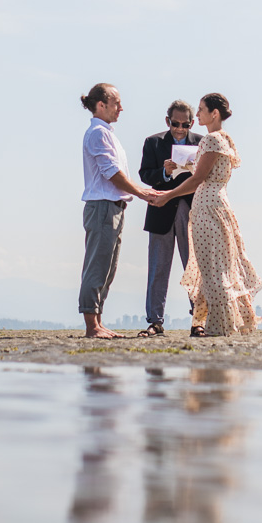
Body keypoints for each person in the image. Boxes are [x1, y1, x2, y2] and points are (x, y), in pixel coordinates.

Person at [154, 93, 262, 336]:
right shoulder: (224, 139)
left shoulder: (211, 140)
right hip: (217, 203)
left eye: (202, 109)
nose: (198, 114)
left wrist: (167, 195)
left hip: (207, 207)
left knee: (211, 268)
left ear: (214, 113)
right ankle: (205, 322)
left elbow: (198, 179)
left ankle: (220, 324)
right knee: (216, 265)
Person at [78, 84, 161, 339]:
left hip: (113, 207)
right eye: (116, 103)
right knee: (97, 265)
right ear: (101, 104)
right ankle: (92, 326)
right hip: (103, 206)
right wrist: (142, 192)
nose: (121, 107)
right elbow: (111, 173)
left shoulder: (106, 133)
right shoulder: (97, 134)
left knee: (108, 267)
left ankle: (98, 322)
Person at [136, 100, 203, 336]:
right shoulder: (153, 142)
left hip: (192, 211)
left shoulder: (202, 143)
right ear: (168, 121)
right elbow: (144, 174)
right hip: (161, 210)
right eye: (175, 124)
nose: (180, 129)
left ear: (192, 123)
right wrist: (164, 172)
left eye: (185, 124)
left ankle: (199, 321)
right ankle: (155, 321)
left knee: (194, 268)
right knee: (158, 268)